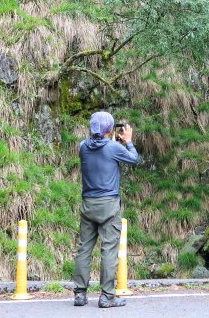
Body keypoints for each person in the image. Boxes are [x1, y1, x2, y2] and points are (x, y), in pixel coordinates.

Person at [73, 111, 139, 308]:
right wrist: (128, 141)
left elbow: (97, 146)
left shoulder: (82, 147)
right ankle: (107, 296)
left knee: (84, 248)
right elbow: (133, 159)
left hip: (88, 204)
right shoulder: (113, 147)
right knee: (108, 250)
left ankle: (79, 294)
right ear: (110, 130)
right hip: (109, 204)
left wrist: (112, 139)